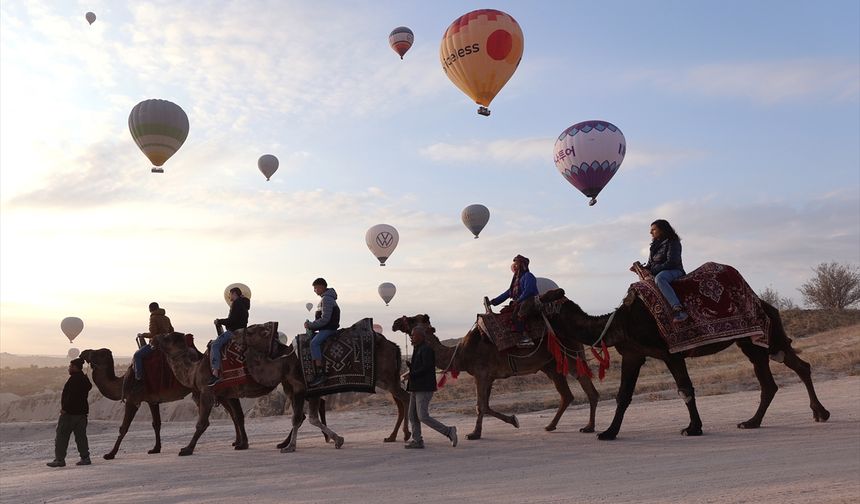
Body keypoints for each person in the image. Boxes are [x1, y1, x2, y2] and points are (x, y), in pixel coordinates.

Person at [401, 325, 457, 449]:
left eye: (413, 335)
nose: (411, 337)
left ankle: (448, 431)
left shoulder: (426, 350)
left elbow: (427, 368)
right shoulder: (418, 349)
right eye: (411, 335)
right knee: (412, 415)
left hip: (424, 387)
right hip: (416, 387)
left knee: (422, 416)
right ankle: (417, 440)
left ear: (421, 336)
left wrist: (412, 374)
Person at [632, 219, 688, 323]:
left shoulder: (673, 241)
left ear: (662, 230)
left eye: (653, 229)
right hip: (659, 271)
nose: (650, 232)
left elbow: (672, 262)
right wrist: (641, 269)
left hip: (674, 270)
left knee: (660, 278)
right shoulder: (654, 246)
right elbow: (650, 264)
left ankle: (678, 310)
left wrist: (653, 271)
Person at [47, 358, 92, 467]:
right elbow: (88, 387)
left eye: (70, 367)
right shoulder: (84, 379)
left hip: (70, 414)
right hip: (81, 414)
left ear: (75, 367)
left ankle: (59, 460)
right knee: (81, 437)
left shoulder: (73, 380)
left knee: (62, 437)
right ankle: (85, 458)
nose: (69, 368)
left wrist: (65, 409)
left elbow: (71, 397)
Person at [488, 254, 538, 346]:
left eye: (516, 264)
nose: (514, 267)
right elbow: (507, 294)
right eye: (514, 265)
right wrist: (493, 302)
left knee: (520, 313)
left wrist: (518, 300)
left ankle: (526, 337)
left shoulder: (528, 276)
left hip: (529, 300)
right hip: (520, 302)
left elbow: (529, 291)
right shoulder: (516, 282)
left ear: (522, 265)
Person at [209, 287, 250, 386]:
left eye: (230, 294)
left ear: (234, 293)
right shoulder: (244, 304)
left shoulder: (236, 303)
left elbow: (232, 320)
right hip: (242, 330)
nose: (229, 296)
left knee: (215, 345)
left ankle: (215, 373)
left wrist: (219, 321)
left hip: (233, 331)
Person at [304, 278, 339, 387]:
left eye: (316, 287)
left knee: (314, 343)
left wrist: (310, 325)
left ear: (322, 287)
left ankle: (320, 373)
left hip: (329, 328)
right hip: (326, 328)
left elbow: (325, 319)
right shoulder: (326, 298)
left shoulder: (327, 299)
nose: (314, 290)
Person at [131, 302, 174, 388]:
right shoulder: (166, 318)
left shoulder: (153, 318)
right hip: (166, 343)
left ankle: (138, 377)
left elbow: (152, 333)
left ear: (150, 309)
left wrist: (142, 335)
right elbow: (171, 331)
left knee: (137, 355)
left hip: (156, 344)